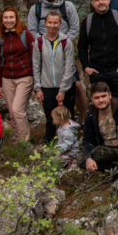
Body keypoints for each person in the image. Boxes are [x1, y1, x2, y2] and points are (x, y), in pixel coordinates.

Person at [26, 0, 87, 123]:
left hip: (64, 52)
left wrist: (63, 43)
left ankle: (84, 118)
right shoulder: (36, 9)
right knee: (46, 90)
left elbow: (74, 28)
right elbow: (32, 31)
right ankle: (51, 119)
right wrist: (44, 45)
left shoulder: (68, 7)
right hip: (44, 53)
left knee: (76, 84)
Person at [77, 0, 118, 108]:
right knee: (100, 107)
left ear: (108, 0)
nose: (101, 2)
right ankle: (104, 127)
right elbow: (82, 46)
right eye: (97, 0)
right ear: (92, 3)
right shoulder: (88, 21)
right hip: (97, 73)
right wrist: (86, 67)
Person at [32, 11, 77, 145]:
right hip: (47, 86)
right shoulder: (39, 42)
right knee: (50, 119)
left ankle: (71, 145)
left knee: (68, 116)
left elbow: (70, 66)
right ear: (45, 23)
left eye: (55, 22)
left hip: (67, 86)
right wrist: (38, 88)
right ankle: (50, 148)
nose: (52, 25)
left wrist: (63, 89)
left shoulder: (65, 41)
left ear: (60, 24)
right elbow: (36, 66)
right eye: (50, 22)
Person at [0, 6, 35, 143]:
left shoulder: (25, 35)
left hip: (25, 77)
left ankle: (25, 142)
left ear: (16, 19)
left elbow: (34, 57)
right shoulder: (1, 39)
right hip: (7, 79)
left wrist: (36, 80)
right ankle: (19, 140)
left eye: (11, 17)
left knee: (18, 110)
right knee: (12, 114)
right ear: (2, 20)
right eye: (5, 18)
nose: (8, 20)